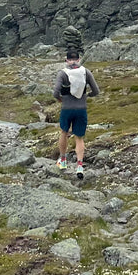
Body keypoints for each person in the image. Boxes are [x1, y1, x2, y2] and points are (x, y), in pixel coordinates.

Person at [54, 49, 100, 178]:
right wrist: (86, 96)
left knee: (64, 132)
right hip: (81, 109)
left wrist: (60, 99)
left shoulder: (62, 73)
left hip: (66, 108)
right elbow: (96, 91)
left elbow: (55, 92)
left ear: (67, 60)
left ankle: (63, 161)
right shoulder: (86, 72)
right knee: (79, 137)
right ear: (79, 60)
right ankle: (79, 166)